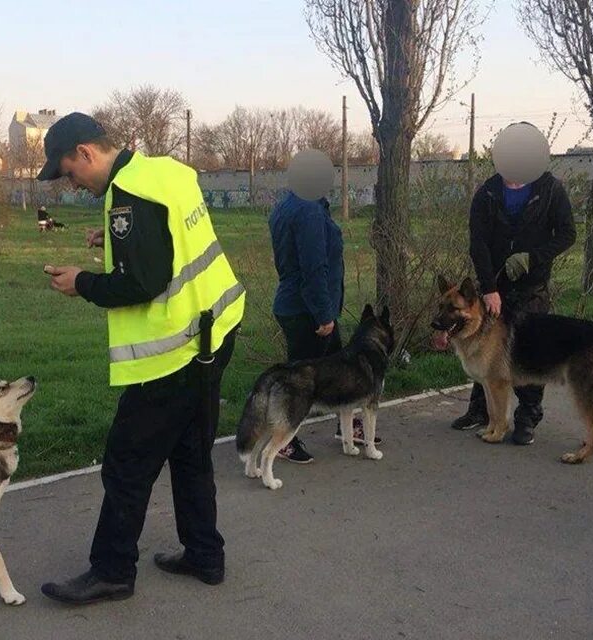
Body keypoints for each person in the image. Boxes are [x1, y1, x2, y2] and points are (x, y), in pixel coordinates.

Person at [38, 112, 245, 604]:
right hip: (217, 329)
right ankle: (204, 555)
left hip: (176, 354)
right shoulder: (165, 171)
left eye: (69, 172)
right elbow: (169, 240)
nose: (73, 184)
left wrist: (81, 283)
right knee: (191, 452)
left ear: (86, 153)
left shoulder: (128, 194)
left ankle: (111, 570)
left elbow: (142, 282)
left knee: (127, 462)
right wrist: (112, 239)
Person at [451, 131, 577, 445]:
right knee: (484, 351)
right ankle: (480, 411)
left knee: (531, 354)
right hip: (496, 286)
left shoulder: (550, 190)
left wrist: (532, 258)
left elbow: (567, 234)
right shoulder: (488, 192)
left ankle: (527, 417)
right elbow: (477, 242)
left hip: (532, 286)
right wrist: (489, 287)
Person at [268, 189, 382, 464]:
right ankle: (283, 440)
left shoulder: (287, 205)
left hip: (298, 302)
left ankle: (346, 427)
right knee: (300, 383)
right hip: (308, 310)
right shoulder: (308, 210)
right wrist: (323, 315)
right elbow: (313, 266)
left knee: (343, 372)